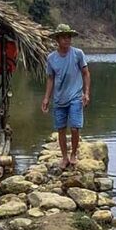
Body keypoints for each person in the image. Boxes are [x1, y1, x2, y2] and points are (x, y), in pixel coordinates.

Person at [41, 24, 91, 168]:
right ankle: (64, 157)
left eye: (69, 37)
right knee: (61, 129)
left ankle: (73, 154)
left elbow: (86, 73)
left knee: (75, 127)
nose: (67, 40)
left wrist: (86, 93)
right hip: (59, 99)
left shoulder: (78, 54)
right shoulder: (51, 58)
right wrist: (46, 98)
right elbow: (50, 78)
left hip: (76, 96)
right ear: (57, 39)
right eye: (64, 37)